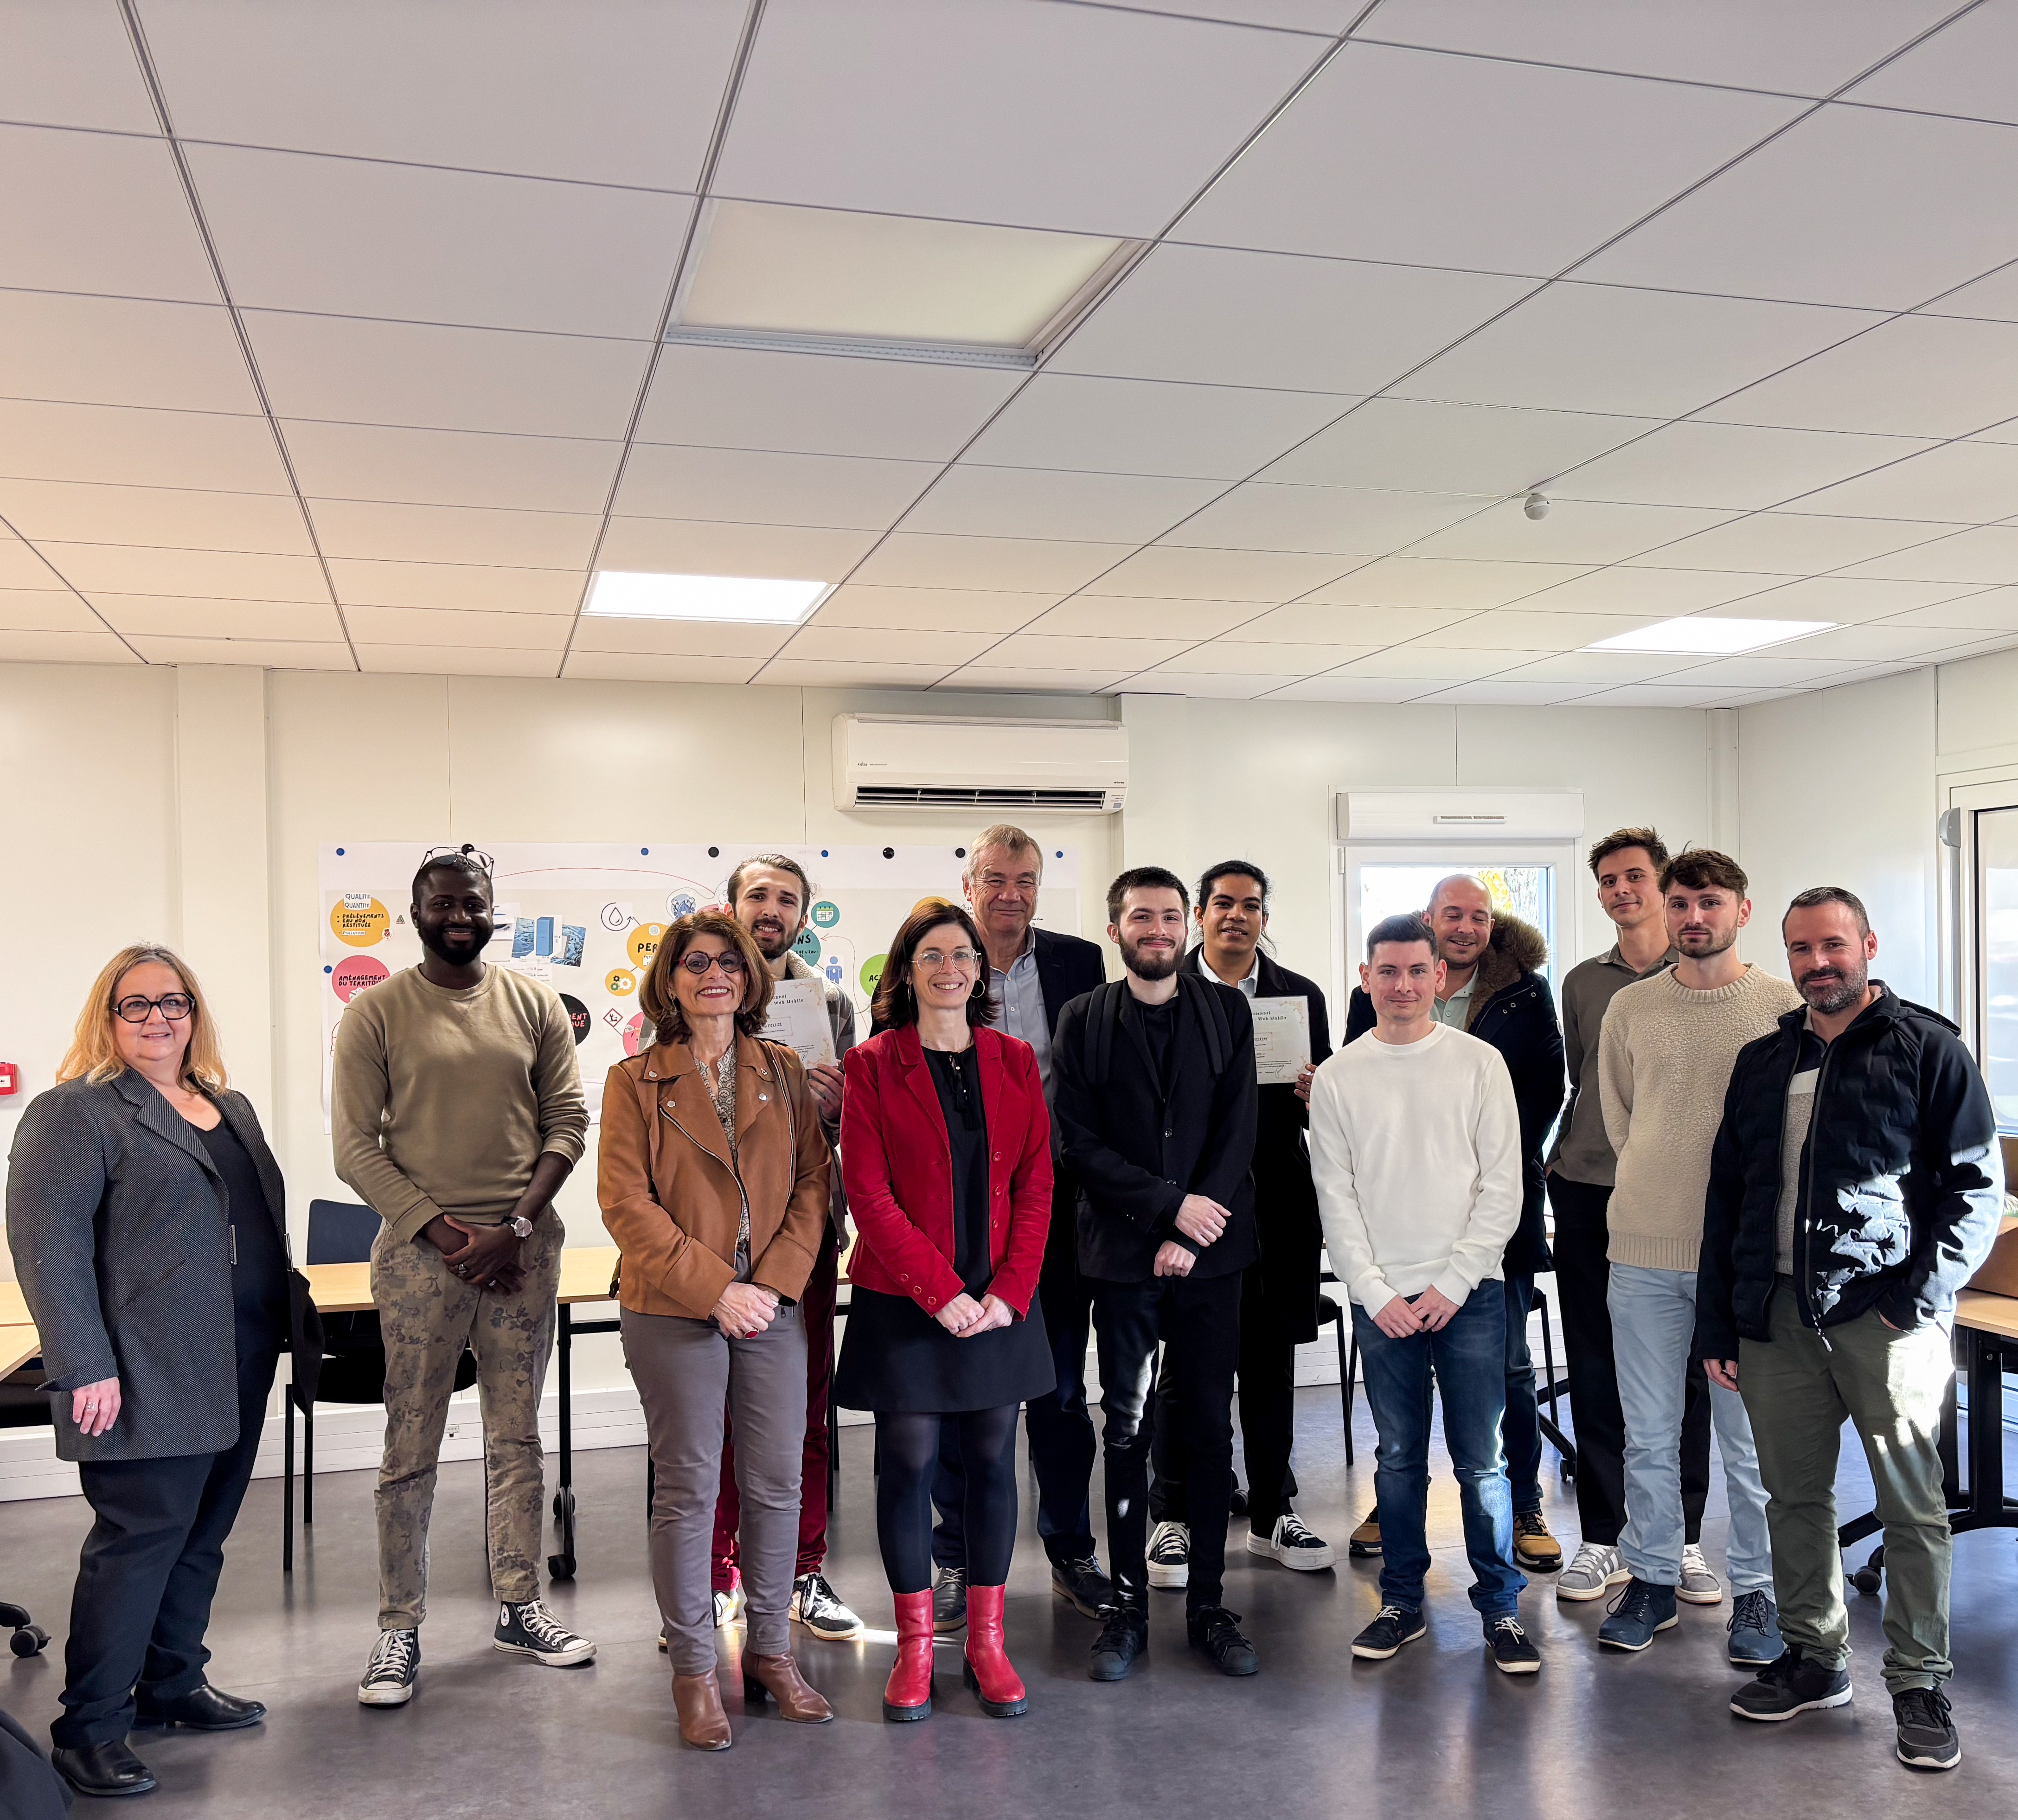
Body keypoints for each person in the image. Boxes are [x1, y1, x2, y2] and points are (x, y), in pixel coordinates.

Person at [1698, 888, 2003, 1769]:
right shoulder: (1762, 1060)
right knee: (1793, 1498)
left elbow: (1976, 1190)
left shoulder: (1928, 1050)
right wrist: (1722, 1318)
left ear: (1867, 944)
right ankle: (1814, 1659)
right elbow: (1731, 1197)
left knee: (1912, 1507)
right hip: (1775, 1318)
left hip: (1884, 1318)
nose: (1817, 963)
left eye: (1833, 945)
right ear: (1786, 956)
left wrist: (1915, 1298)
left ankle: (1918, 1680)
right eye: (1801, 950)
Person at [7, 947, 295, 1799]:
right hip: (142, 1369)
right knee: (137, 1546)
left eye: (173, 1003)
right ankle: (89, 1728)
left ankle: (173, 1686)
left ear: (195, 1013)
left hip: (243, 1354)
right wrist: (84, 1364)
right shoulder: (76, 1114)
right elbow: (47, 1248)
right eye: (135, 1006)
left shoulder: (227, 1106)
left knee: (202, 1538)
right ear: (107, 1017)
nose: (157, 1019)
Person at [333, 845, 594, 1709]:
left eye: (472, 901)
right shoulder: (375, 1013)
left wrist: (514, 1227)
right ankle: (398, 1628)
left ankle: (520, 1606)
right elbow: (354, 1148)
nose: (458, 914)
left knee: (516, 1439)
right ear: (416, 914)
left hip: (524, 1252)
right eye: (442, 902)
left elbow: (567, 1118)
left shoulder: (532, 1003)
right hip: (419, 1259)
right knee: (409, 1447)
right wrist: (448, 1234)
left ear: (491, 911)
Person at [600, 910, 833, 1750]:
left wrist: (766, 1287)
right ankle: (695, 1671)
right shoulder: (635, 1081)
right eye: (696, 963)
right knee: (691, 1489)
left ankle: (771, 1653)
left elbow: (813, 1185)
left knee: (777, 1484)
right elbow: (626, 1205)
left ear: (751, 977)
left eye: (730, 963)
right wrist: (716, 1290)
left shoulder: (782, 1070)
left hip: (770, 1307)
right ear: (670, 979)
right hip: (672, 1311)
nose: (714, 975)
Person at [835, 903, 1056, 1722]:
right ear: (907, 969)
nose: (951, 967)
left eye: (963, 954)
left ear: (979, 970)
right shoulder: (871, 1065)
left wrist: (1005, 1292)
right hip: (907, 1301)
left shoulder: (1015, 1059)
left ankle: (989, 1644)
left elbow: (1037, 1181)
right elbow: (870, 1194)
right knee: (909, 1462)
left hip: (1000, 1301)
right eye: (933, 955)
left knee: (997, 1463)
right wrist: (944, 1294)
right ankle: (918, 1648)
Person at [1312, 914, 1539, 1675]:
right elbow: (1335, 1198)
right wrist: (1374, 1292)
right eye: (1389, 971)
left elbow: (1504, 1185)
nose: (1404, 985)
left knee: (1484, 1462)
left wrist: (1455, 1281)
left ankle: (1501, 1609)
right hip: (1382, 1302)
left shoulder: (1479, 1064)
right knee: (1401, 1457)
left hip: (1467, 1294)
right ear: (1367, 978)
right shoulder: (1341, 1075)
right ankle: (1402, 1602)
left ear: (1439, 977)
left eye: (1418, 971)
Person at [1054, 866, 1261, 1681]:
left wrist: (1195, 1222)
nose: (1159, 930)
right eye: (1142, 917)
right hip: (1123, 1254)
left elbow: (1240, 1125)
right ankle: (1130, 1608)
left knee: (1210, 1429)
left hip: (1213, 1255)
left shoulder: (1227, 1012)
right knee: (1127, 1428)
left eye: (1172, 917)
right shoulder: (1084, 1019)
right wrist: (1166, 1211)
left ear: (1189, 929)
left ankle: (1209, 1603)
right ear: (1117, 930)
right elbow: (1078, 1142)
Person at [1595, 846, 1798, 1660]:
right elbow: (1620, 1122)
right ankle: (1650, 1578)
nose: (1693, 917)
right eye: (1679, 903)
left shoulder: (1785, 1008)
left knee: (1749, 1441)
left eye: (1709, 902)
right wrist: (1661, 1185)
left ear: (1742, 912)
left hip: (1746, 1265)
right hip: (1642, 1249)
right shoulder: (1631, 1010)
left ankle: (1756, 1593)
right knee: (1647, 1434)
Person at [1341, 875, 1564, 1575]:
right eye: (1453, 915)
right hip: (1393, 1247)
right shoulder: (1374, 995)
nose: (1466, 926)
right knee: (1401, 1437)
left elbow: (1543, 1093)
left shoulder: (1526, 991)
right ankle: (1395, 1514)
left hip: (1491, 1229)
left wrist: (1474, 1153)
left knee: (1508, 1377)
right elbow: (1364, 1112)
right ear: (1429, 921)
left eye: (1479, 916)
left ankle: (1524, 1505)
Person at [929, 825, 1108, 1630]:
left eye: (1026, 880)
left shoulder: (1078, 963)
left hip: (1058, 1204)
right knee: (962, 1392)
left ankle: (1070, 1548)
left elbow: (1096, 1077)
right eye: (996, 879)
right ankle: (957, 1559)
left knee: (1062, 1390)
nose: (1011, 894)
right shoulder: (936, 958)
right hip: (962, 1211)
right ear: (969, 885)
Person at [1148, 861, 1335, 1589]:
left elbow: (1319, 1107)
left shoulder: (1302, 997)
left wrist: (1324, 1093)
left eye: (1250, 905)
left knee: (1269, 1363)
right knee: (1185, 1366)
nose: (1236, 916)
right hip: (1195, 1206)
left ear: (1264, 916)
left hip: (1280, 1204)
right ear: (1199, 915)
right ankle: (1175, 1512)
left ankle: (1270, 1512)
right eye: (1222, 903)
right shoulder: (1166, 992)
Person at [1546, 830, 1721, 1605]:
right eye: (1609, 881)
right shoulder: (1584, 983)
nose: (1623, 892)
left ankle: (1680, 1540)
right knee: (1595, 1363)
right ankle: (1605, 1536)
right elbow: (1588, 1085)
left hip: (1680, 1200)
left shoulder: (1706, 976)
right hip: (1587, 1190)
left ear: (1666, 886)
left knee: (1686, 1370)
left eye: (1636, 879)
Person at [710, 854, 861, 1643]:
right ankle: (718, 1578)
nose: (772, 910)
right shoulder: (691, 989)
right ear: (732, 905)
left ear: (805, 916)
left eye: (787, 901)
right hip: (711, 1242)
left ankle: (803, 1572)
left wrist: (836, 1106)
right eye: (759, 896)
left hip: (802, 1235)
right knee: (716, 1419)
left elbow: (848, 1127)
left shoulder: (828, 1002)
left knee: (805, 1415)